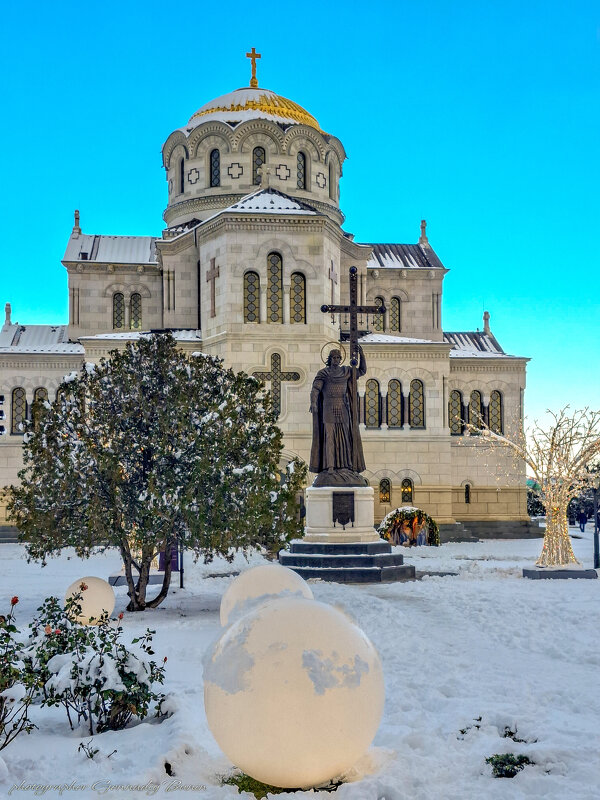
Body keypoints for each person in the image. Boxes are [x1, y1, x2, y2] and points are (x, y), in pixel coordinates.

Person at [309, 347, 366, 476]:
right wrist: (313, 402)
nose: (336, 359)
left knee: (344, 437)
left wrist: (361, 355)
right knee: (330, 437)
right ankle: (330, 466)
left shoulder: (346, 371)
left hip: (343, 408)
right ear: (329, 359)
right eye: (333, 357)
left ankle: (345, 465)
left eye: (338, 357)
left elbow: (362, 371)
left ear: (341, 359)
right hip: (328, 407)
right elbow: (315, 389)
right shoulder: (324, 373)